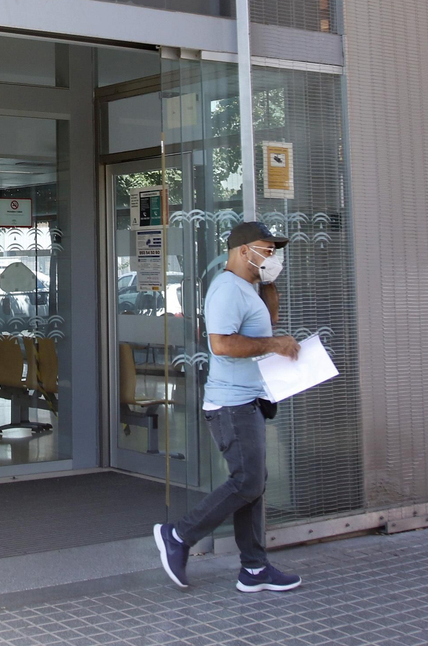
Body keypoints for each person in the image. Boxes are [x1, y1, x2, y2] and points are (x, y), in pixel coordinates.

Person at [154, 220, 302, 594]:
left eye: (274, 251)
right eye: (267, 250)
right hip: (231, 404)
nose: (273, 256)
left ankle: (254, 568)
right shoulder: (226, 289)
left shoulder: (248, 288)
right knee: (247, 481)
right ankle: (178, 535)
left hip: (248, 400)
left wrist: (269, 282)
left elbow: (269, 322)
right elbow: (221, 344)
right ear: (243, 251)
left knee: (253, 482)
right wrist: (275, 345)